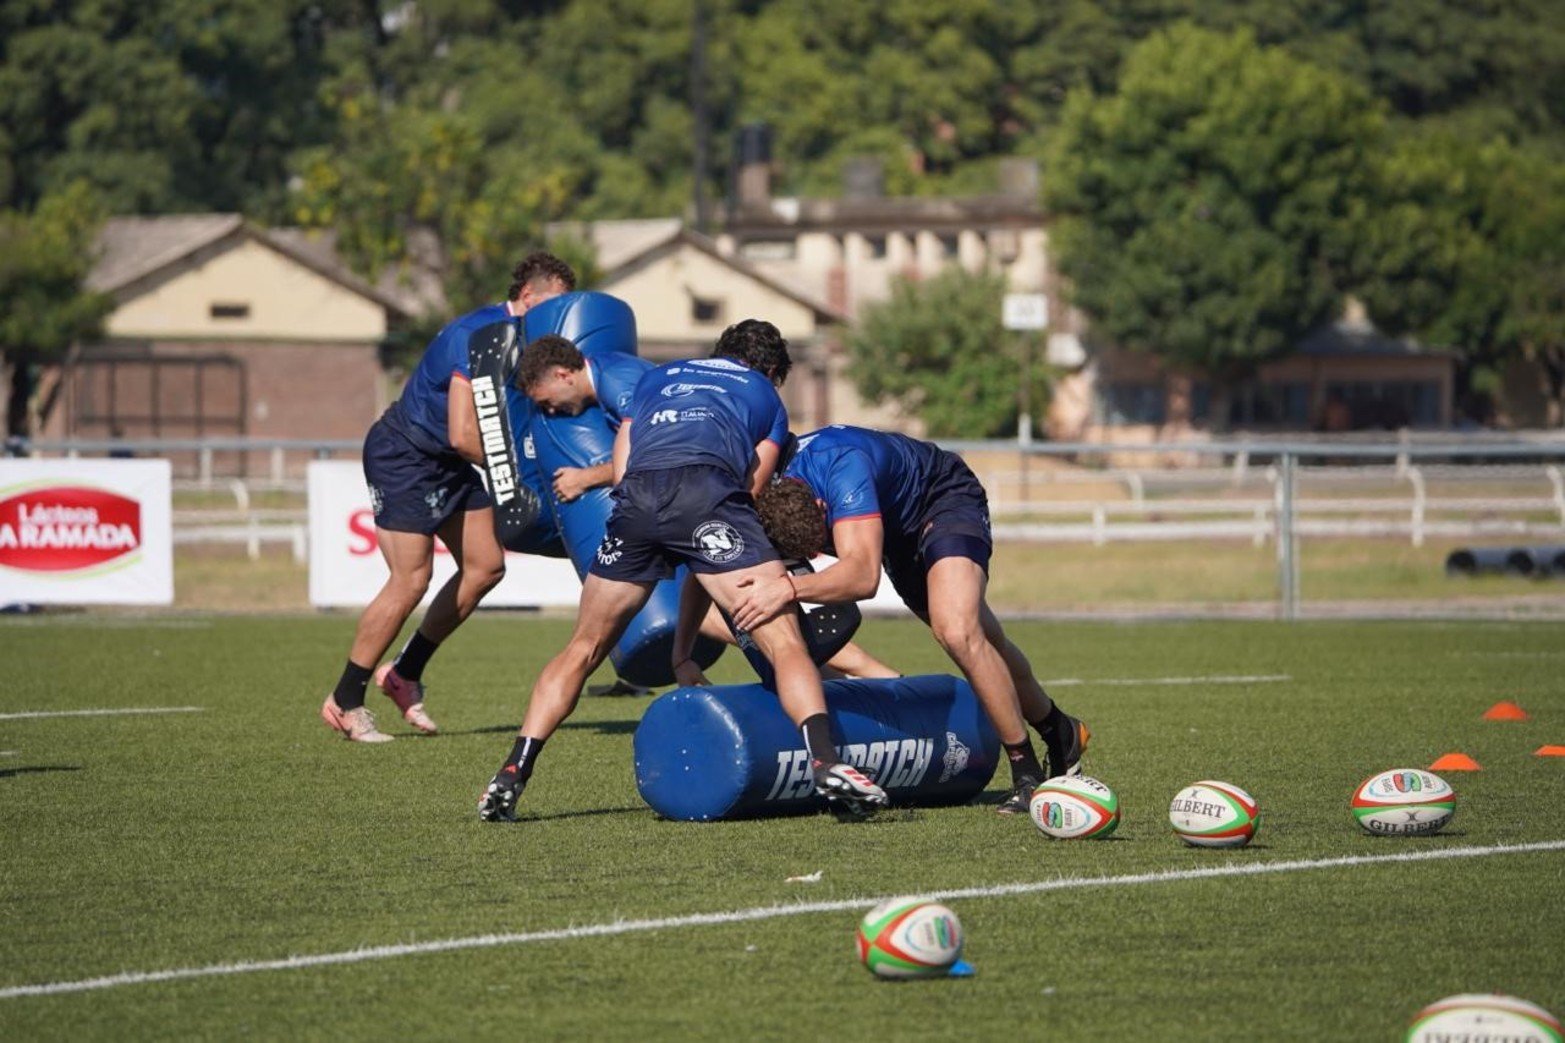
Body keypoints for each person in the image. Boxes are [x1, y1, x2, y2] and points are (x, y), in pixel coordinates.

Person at [477, 320, 888, 820]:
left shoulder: (656, 377)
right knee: (785, 644)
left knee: (582, 648)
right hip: (707, 496)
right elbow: (752, 486)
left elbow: (622, 470)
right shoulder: (765, 396)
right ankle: (826, 763)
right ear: (771, 371)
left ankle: (512, 772)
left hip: (636, 505)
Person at [736, 425, 1089, 814]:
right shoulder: (773, 503)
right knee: (985, 641)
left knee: (957, 631)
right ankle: (1060, 729)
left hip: (940, 497)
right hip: (895, 532)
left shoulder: (842, 470)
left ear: (823, 508)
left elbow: (862, 576)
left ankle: (1026, 773)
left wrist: (789, 588)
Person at [320, 252, 575, 743]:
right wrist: (520, 473)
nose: (558, 315)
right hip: (406, 454)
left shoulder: (526, 341)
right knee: (410, 580)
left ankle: (404, 673)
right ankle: (345, 700)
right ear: (528, 297)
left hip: (450, 463)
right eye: (553, 303)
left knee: (486, 567)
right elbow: (462, 433)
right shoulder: (477, 336)